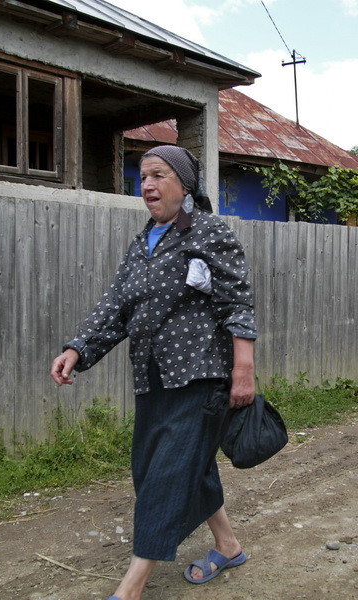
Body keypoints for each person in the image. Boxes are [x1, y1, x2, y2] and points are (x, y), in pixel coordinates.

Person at [50, 145, 257, 599]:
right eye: (142, 176)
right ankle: (228, 544)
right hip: (153, 376)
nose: (146, 185)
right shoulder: (144, 240)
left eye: (158, 175)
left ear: (184, 184)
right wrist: (77, 349)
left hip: (201, 373)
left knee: (167, 475)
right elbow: (115, 305)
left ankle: (131, 588)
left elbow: (237, 301)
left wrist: (244, 370)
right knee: (164, 468)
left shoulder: (207, 231)